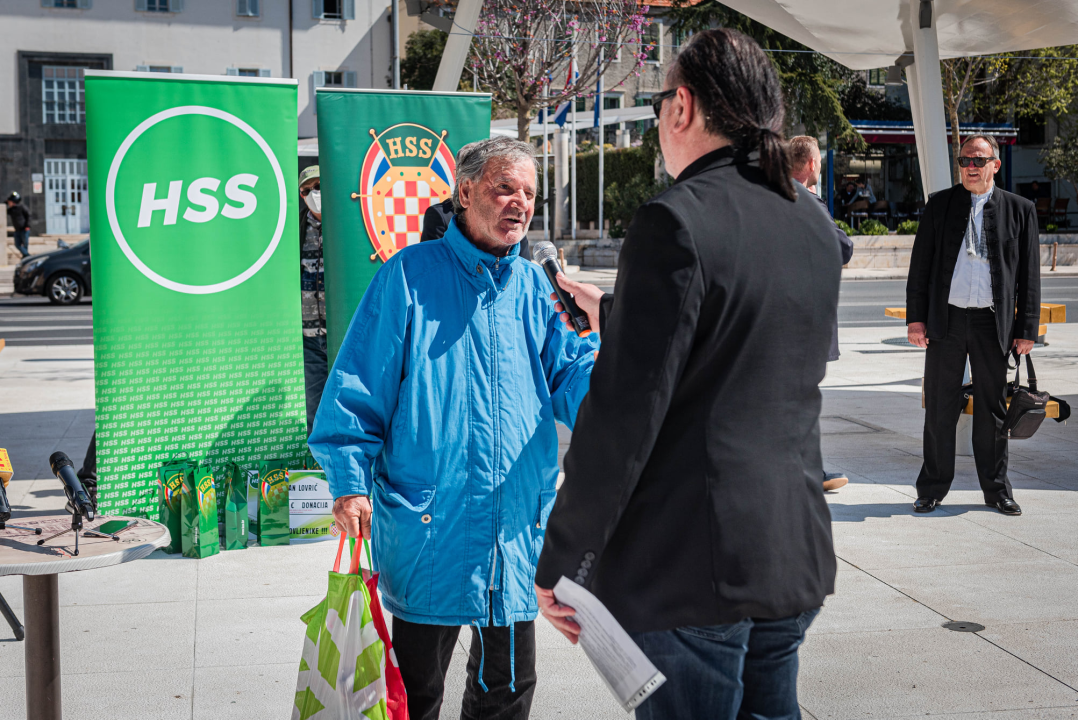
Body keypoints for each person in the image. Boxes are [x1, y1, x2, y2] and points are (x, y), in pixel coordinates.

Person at [534, 29, 839, 720]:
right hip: (790, 550)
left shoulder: (674, 221)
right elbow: (745, 344)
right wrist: (617, 310)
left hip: (694, 566)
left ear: (683, 107)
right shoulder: (812, 224)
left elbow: (622, 418)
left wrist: (562, 559)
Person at [308, 136, 599, 720]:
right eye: (504, 188)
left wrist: (611, 361)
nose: (519, 203)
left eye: (529, 193)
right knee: (416, 694)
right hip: (429, 525)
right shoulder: (408, 277)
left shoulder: (540, 288)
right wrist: (349, 480)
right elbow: (357, 390)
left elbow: (574, 383)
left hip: (515, 527)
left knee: (509, 692)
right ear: (465, 192)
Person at [906, 134, 1040, 516]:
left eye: (978, 160)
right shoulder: (940, 205)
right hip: (945, 321)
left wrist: (1026, 328)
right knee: (939, 407)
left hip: (991, 324)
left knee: (993, 410)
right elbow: (920, 268)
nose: (970, 166)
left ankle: (997, 490)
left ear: (995, 165)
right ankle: (931, 487)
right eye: (965, 160)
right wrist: (916, 319)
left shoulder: (1020, 209)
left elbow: (1029, 276)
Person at [789, 135, 855, 492]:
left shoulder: (774, 200)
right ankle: (810, 471)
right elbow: (843, 247)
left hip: (782, 320)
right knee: (803, 399)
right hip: (805, 322)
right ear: (813, 164)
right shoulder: (807, 200)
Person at [298, 166, 327, 436]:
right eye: (306, 190)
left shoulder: (345, 225)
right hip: (308, 338)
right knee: (313, 410)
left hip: (341, 333)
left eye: (318, 187)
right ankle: (317, 474)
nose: (313, 194)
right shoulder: (296, 227)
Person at [6, 192, 31, 259]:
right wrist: (7, 202)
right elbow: (3, 209)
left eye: (10, 202)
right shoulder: (11, 210)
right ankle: (27, 256)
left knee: (25, 245)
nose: (9, 203)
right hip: (17, 230)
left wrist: (27, 226)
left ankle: (26, 256)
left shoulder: (22, 207)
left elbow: (28, 216)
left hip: (24, 229)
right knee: (17, 245)